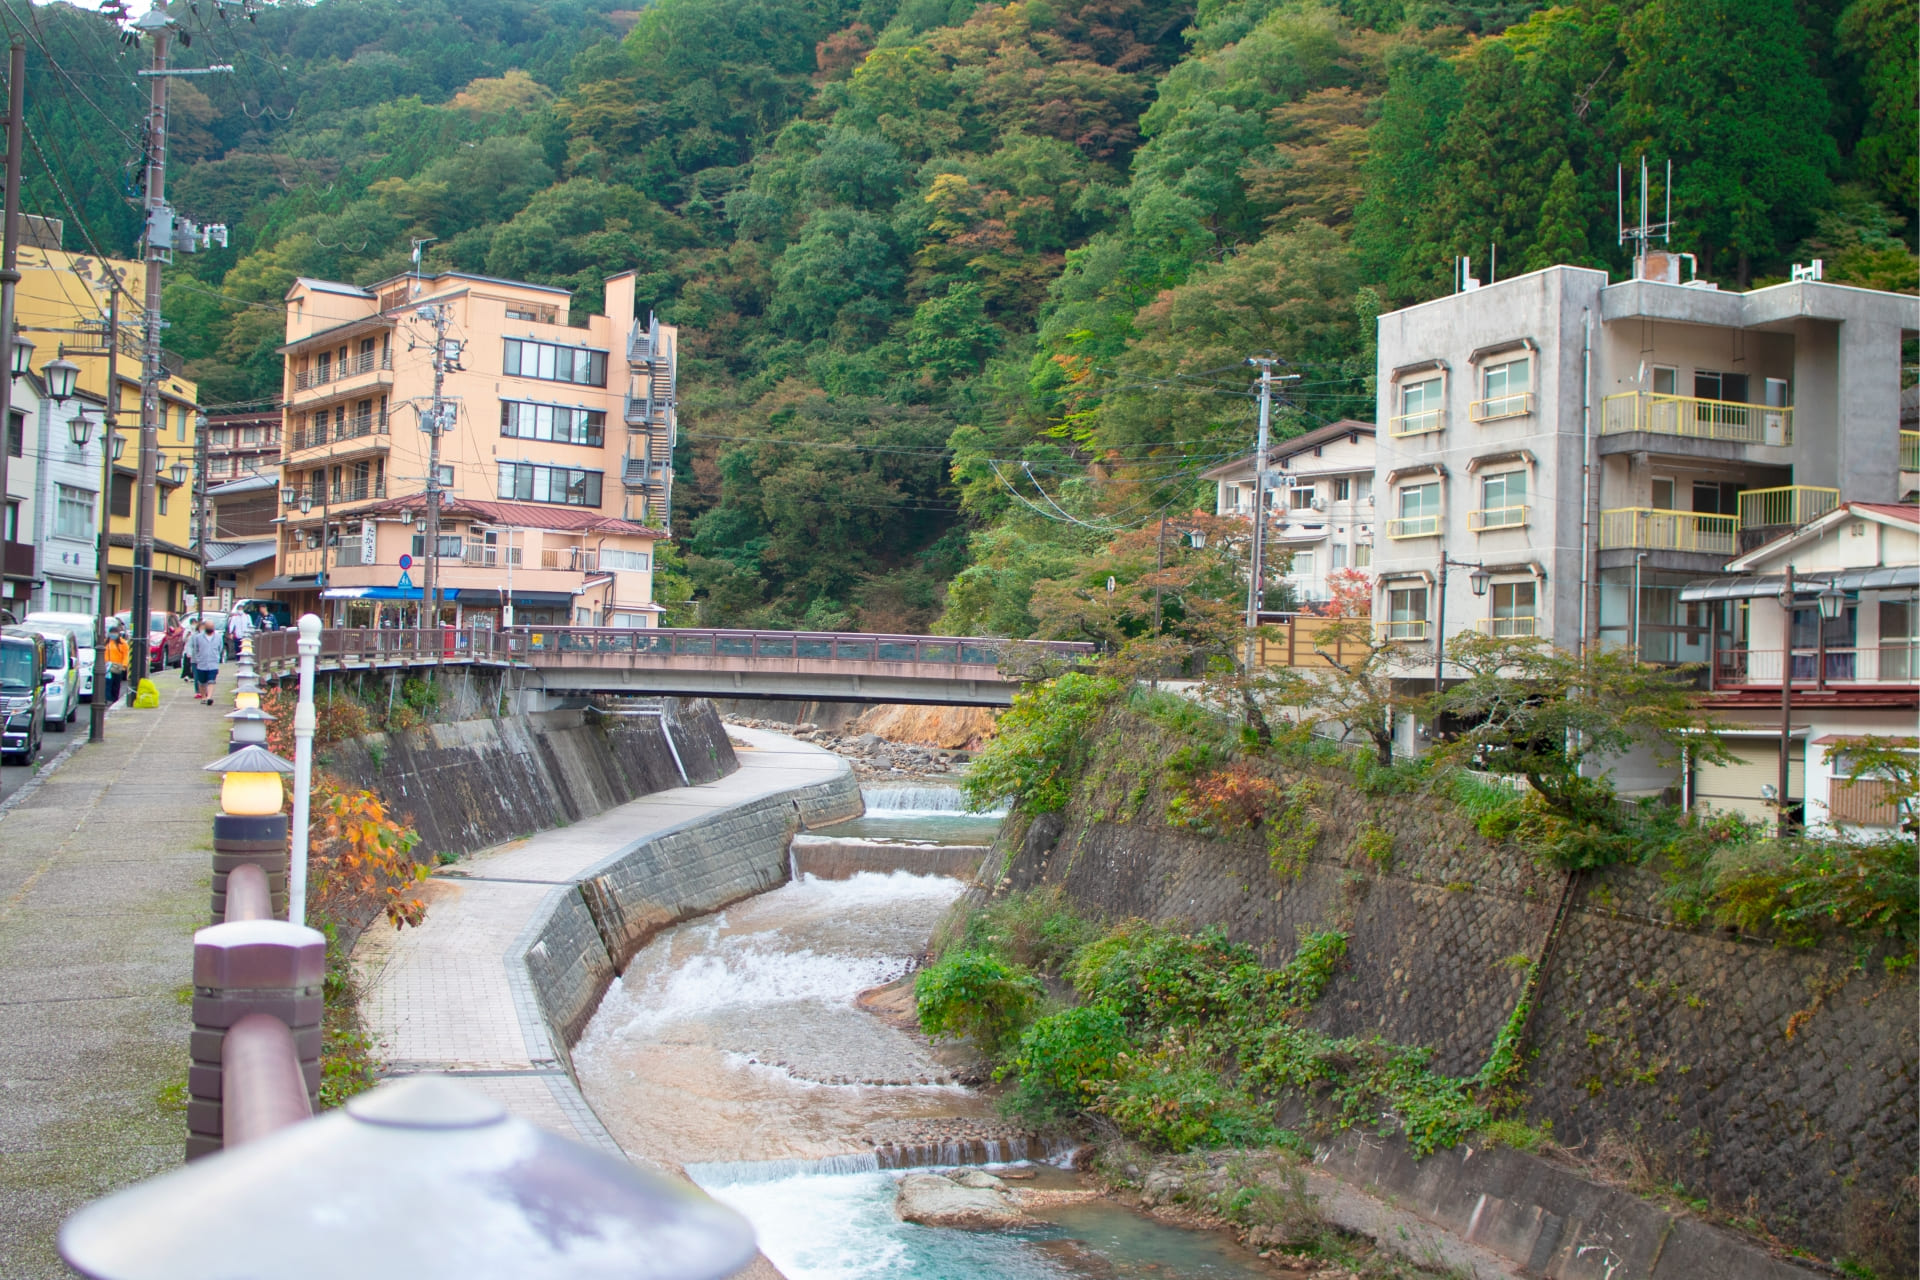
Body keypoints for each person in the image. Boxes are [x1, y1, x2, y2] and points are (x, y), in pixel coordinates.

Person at [186, 619, 223, 703]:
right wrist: (197, 658)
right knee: (202, 682)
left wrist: (216, 656)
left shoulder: (218, 637)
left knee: (211, 681)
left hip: (213, 663)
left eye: (212, 627)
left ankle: (209, 697)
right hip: (202, 663)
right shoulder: (198, 637)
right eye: (209, 627)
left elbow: (220, 648)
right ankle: (203, 696)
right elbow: (196, 649)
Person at [103, 624, 129, 705]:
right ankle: (107, 698)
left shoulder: (122, 643)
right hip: (108, 666)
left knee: (116, 683)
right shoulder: (106, 642)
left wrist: (124, 665)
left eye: (115, 633)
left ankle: (114, 698)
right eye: (111, 633)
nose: (113, 635)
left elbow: (126, 654)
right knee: (107, 683)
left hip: (118, 666)